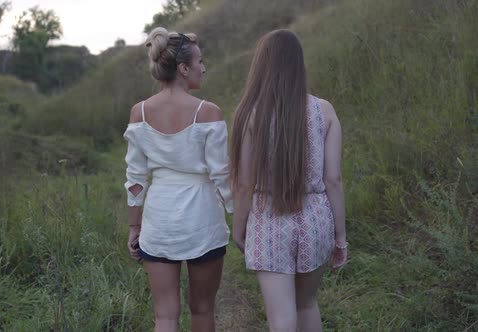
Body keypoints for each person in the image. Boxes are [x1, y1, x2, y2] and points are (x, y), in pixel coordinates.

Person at [230, 29, 348, 332]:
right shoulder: (325, 111)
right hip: (315, 218)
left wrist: (239, 227)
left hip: (269, 219)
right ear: (299, 63)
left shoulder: (250, 114)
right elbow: (333, 180)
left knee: (281, 318)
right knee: (307, 304)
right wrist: (341, 237)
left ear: (261, 65)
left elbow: (244, 184)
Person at [123, 27, 233, 332]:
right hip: (203, 221)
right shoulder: (208, 113)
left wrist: (135, 226)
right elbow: (222, 176)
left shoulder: (139, 113)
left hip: (160, 222)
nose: (203, 67)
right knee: (201, 311)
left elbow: (135, 179)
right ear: (183, 69)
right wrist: (242, 218)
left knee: (165, 316)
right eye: (199, 61)